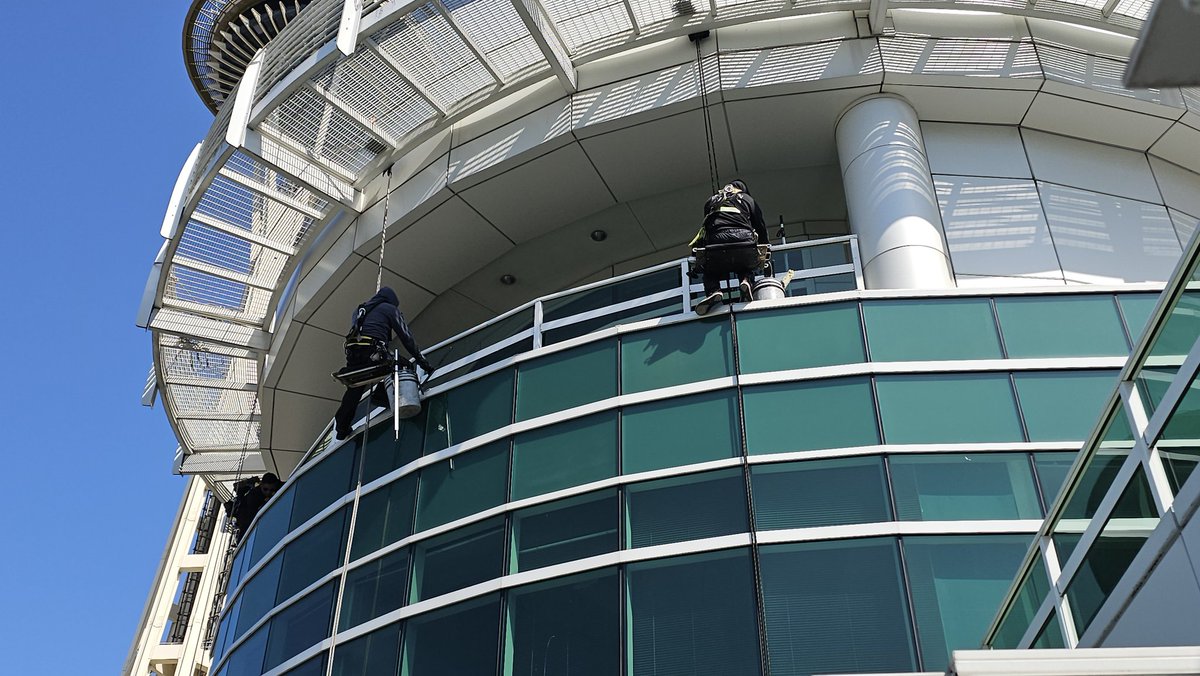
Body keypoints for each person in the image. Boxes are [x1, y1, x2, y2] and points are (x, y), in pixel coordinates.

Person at [334, 286, 433, 440]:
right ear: (392, 301)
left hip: (353, 356)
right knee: (404, 365)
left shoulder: (360, 310)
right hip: (374, 353)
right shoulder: (389, 308)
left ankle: (341, 427)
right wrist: (422, 361)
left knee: (355, 389)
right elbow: (406, 337)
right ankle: (381, 396)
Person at [691, 180, 769, 315]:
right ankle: (746, 281)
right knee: (748, 264)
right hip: (744, 241)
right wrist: (765, 247)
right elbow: (760, 225)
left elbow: (706, 228)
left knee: (709, 269)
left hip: (716, 243)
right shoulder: (747, 199)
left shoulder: (712, 200)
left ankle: (714, 290)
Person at [229, 473, 283, 541]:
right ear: (261, 485)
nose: (268, 492)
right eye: (265, 489)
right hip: (247, 514)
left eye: (272, 490)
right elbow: (249, 520)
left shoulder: (280, 486)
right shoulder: (253, 496)